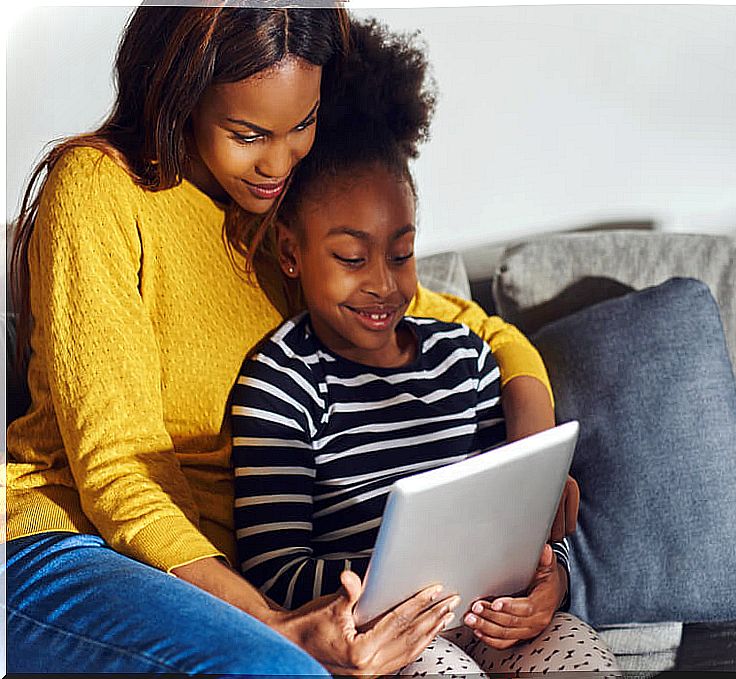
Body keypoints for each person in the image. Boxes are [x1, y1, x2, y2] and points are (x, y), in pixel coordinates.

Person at [4, 7, 573, 675]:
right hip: (70, 546)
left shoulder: (285, 221)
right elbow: (118, 471)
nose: (279, 160)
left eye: (301, 124)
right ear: (182, 93)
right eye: (248, 133)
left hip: (225, 583)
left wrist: (536, 464)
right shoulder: (101, 190)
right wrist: (278, 626)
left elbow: (488, 333)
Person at [229, 18, 619, 677]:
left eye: (402, 252)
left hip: (490, 616)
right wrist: (398, 581)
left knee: (584, 659)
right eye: (351, 257)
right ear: (291, 252)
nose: (383, 282)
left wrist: (549, 583)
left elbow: (524, 519)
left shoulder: (464, 359)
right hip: (385, 636)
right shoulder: (283, 381)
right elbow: (272, 568)